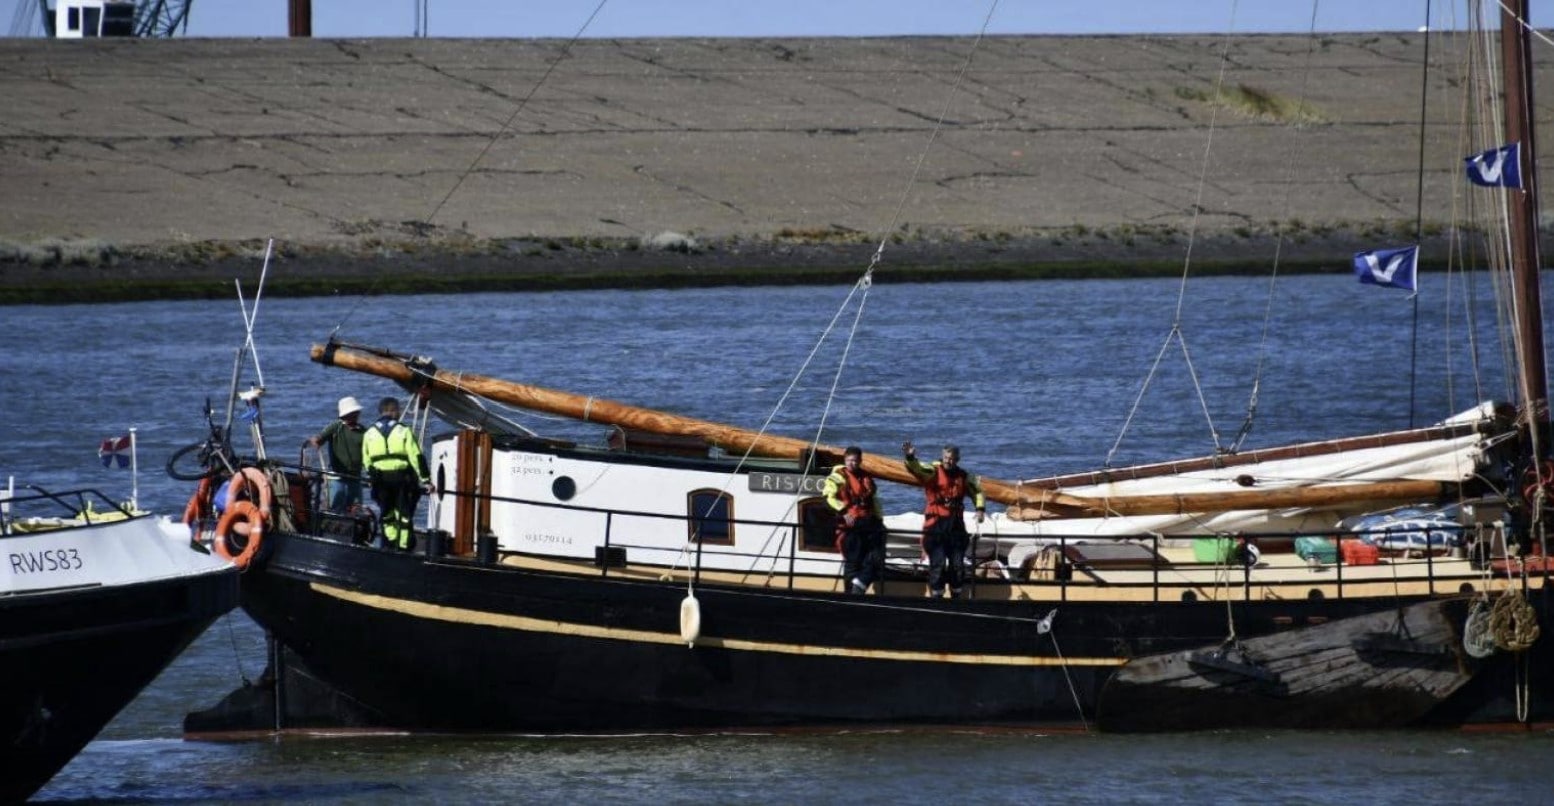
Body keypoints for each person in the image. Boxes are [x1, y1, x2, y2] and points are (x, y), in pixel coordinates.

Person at [903, 441, 986, 598]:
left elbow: (977, 492)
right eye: (947, 458)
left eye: (952, 458)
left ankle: (956, 596)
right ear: (943, 457)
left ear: (958, 459)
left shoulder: (964, 476)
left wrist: (980, 509)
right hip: (936, 526)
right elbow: (917, 468)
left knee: (957, 566)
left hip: (956, 527)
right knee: (938, 564)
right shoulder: (933, 471)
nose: (949, 461)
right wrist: (910, 456)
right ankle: (937, 596)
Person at [362, 396, 432, 550]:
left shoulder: (369, 433)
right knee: (403, 513)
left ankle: (390, 540)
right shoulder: (404, 431)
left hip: (380, 479)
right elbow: (416, 457)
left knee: (386, 512)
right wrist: (426, 480)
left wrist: (372, 476)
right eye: (398, 411)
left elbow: (366, 460)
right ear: (393, 411)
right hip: (400, 479)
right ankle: (404, 544)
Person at [823, 446, 886, 595]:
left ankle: (861, 583)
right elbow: (827, 498)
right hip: (851, 524)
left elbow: (873, 500)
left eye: (855, 461)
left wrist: (879, 520)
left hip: (870, 522)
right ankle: (851, 594)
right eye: (849, 460)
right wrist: (844, 512)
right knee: (853, 562)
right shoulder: (837, 477)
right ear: (845, 461)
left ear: (860, 461)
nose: (852, 463)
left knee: (878, 557)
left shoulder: (866, 478)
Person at [306, 396, 366, 512]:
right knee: (337, 506)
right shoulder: (336, 427)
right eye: (352, 413)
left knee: (356, 507)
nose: (355, 415)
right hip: (337, 475)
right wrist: (317, 440)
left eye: (356, 413)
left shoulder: (363, 431)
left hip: (355, 475)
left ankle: (355, 527)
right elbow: (321, 437)